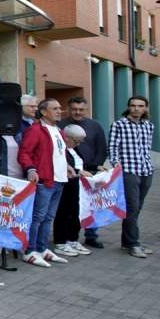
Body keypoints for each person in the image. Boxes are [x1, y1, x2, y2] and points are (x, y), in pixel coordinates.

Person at [18, 98, 70, 267]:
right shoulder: (35, 130)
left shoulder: (59, 131)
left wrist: (67, 167)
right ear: (43, 112)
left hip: (59, 180)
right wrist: (31, 169)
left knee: (48, 218)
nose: (59, 111)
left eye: (60, 108)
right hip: (45, 180)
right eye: (55, 108)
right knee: (37, 218)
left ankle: (42, 248)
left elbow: (58, 154)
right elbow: (24, 153)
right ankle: (30, 251)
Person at [59, 96, 108, 249]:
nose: (77, 112)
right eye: (74, 109)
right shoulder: (60, 125)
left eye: (81, 109)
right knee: (69, 209)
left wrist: (96, 167)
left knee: (90, 206)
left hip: (90, 173)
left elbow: (101, 148)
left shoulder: (95, 126)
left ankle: (90, 236)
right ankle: (65, 239)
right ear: (68, 109)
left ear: (86, 109)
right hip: (69, 174)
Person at [108, 96, 154, 258]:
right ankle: (134, 244)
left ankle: (127, 242)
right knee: (132, 208)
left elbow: (147, 148)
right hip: (129, 171)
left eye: (140, 106)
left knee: (137, 208)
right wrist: (116, 164)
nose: (136, 109)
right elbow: (112, 147)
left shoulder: (149, 125)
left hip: (146, 171)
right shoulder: (119, 125)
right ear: (128, 107)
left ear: (145, 108)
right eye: (133, 105)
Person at [52, 125, 93, 258]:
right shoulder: (60, 149)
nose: (78, 144)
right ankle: (60, 242)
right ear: (67, 137)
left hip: (77, 185)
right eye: (76, 141)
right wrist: (78, 171)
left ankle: (72, 239)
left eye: (80, 141)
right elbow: (60, 164)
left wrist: (96, 167)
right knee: (63, 213)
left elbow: (81, 163)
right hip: (66, 184)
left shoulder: (75, 149)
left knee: (76, 213)